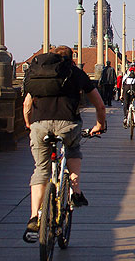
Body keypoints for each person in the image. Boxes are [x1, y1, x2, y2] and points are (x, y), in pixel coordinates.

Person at [22, 45, 106, 243]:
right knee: (73, 150)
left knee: (41, 169)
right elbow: (100, 105)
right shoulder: (75, 73)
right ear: (71, 58)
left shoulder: (39, 75)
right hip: (68, 124)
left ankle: (34, 218)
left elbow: (27, 105)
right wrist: (99, 125)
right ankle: (75, 191)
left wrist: (28, 123)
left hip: (40, 125)